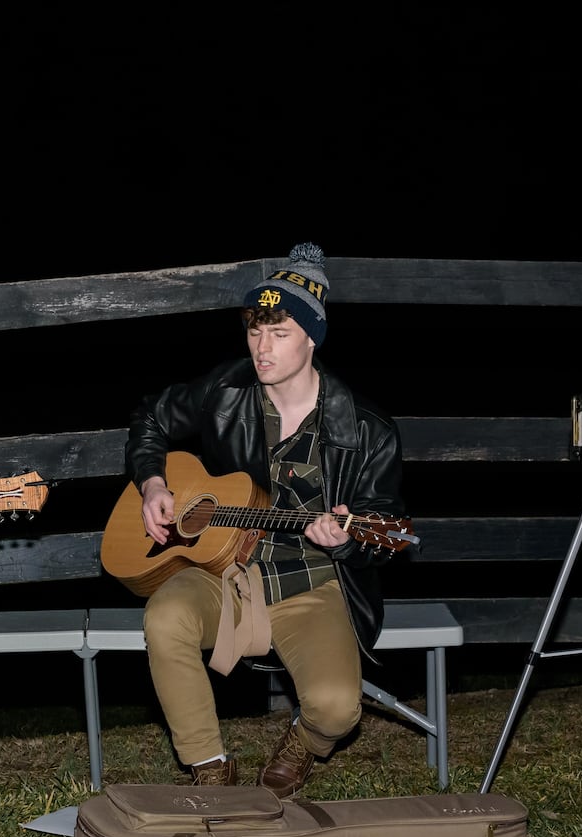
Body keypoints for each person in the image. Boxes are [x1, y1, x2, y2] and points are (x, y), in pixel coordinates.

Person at [122, 241, 407, 796]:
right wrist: (154, 482)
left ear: (311, 339)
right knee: (164, 618)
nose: (262, 347)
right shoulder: (227, 391)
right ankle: (209, 767)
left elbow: (387, 529)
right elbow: (151, 418)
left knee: (337, 709)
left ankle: (304, 741)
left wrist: (348, 540)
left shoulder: (367, 429)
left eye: (279, 333)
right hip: (226, 570)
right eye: (255, 331)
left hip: (312, 582)